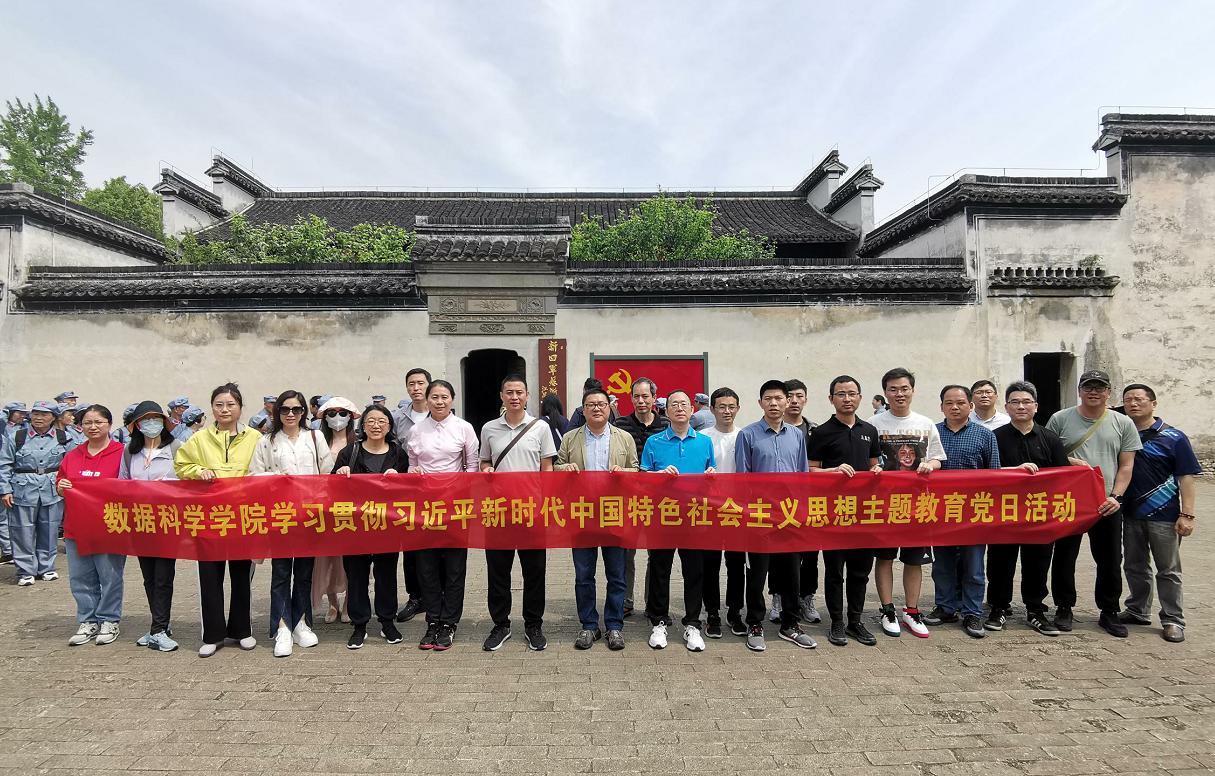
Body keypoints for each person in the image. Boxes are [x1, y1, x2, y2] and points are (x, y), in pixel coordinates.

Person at [1047, 369, 1141, 638]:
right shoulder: (1060, 419)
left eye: (1100, 387)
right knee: (1064, 556)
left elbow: (1126, 465)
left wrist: (1116, 496)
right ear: (1079, 391)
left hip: (1106, 503)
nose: (1093, 392)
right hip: (1068, 501)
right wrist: (1069, 461)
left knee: (1110, 559)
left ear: (1108, 392)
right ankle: (1064, 607)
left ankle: (1109, 610)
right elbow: (1048, 456)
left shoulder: (1123, 423)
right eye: (1088, 387)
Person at [174, 383, 263, 657]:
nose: (225, 410)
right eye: (219, 405)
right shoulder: (199, 439)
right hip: (208, 518)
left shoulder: (255, 437)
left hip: (243, 517)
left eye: (230, 405)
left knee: (241, 576)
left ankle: (241, 630)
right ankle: (212, 634)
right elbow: (180, 465)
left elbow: (265, 469)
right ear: (212, 408)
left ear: (240, 408)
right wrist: (197, 471)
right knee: (210, 576)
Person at [734, 380, 815, 651]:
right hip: (760, 516)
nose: (774, 403)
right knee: (757, 574)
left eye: (779, 398)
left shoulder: (797, 436)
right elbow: (742, 477)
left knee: (791, 573)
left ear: (787, 401)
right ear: (760, 403)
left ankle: (790, 624)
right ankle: (755, 623)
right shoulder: (748, 435)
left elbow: (803, 474)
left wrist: (801, 511)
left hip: (789, 515)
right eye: (768, 398)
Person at [479, 375, 557, 652]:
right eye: (509, 392)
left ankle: (533, 625)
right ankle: (500, 624)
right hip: (498, 511)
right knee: (498, 572)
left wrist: (546, 505)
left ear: (527, 396)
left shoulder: (540, 427)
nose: (514, 397)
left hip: (531, 511)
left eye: (519, 392)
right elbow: (484, 460)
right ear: (501, 395)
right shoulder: (489, 428)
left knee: (534, 572)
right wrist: (486, 469)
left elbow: (547, 468)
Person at [556, 387, 639, 650]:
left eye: (601, 404)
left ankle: (614, 626)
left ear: (609, 408)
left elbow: (636, 470)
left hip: (614, 513)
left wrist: (623, 471)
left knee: (616, 575)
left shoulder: (624, 437)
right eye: (591, 404)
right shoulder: (570, 438)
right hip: (582, 514)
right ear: (583, 410)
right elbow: (556, 468)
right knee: (584, 575)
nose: (596, 408)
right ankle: (589, 625)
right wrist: (565, 468)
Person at [250, 390, 328, 657]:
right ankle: (282, 626)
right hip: (280, 515)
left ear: (304, 411)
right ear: (277, 412)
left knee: (304, 573)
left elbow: (327, 474)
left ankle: (301, 622)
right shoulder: (266, 441)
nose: (291, 414)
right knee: (281, 572)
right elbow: (254, 476)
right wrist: (274, 477)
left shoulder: (315, 438)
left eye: (296, 409)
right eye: (285, 409)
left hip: (309, 515)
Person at [1119, 383, 1200, 643]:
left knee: (1168, 570)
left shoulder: (1173, 437)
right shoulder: (1123, 433)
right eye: (1128, 399)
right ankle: (1137, 610)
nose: (1133, 404)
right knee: (1134, 565)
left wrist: (1187, 514)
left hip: (1165, 516)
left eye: (1139, 399)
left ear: (1153, 403)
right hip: (1130, 513)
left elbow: (1186, 477)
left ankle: (1173, 619)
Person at [869, 367, 946, 638]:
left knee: (914, 560)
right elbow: (868, 460)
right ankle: (887, 610)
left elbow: (938, 458)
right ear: (885, 392)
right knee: (885, 558)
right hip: (884, 505)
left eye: (904, 389)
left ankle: (911, 611)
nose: (899, 394)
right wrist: (873, 468)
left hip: (918, 505)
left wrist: (929, 465)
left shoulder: (926, 423)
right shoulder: (873, 424)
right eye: (893, 389)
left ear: (912, 391)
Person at [988, 381, 1069, 637]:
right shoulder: (994, 437)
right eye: (1015, 402)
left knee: (1038, 563)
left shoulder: (1050, 439)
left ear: (1036, 406)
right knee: (1000, 563)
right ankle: (998, 608)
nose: (1021, 406)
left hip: (1039, 513)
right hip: (1004, 512)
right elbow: (987, 474)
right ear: (1006, 407)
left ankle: (1035, 610)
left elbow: (1063, 476)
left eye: (1026, 402)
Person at [808, 376, 882, 648]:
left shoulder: (869, 430)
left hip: (864, 512)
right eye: (841, 394)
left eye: (852, 393)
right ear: (831, 399)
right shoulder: (821, 432)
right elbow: (810, 470)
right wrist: (833, 471)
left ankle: (855, 621)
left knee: (860, 572)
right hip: (833, 513)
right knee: (835, 572)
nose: (847, 399)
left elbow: (874, 464)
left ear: (860, 397)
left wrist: (877, 470)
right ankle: (837, 622)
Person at [640, 390, 715, 652]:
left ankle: (692, 623)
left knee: (694, 571)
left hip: (694, 516)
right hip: (663, 515)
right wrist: (659, 474)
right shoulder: (654, 442)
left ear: (692, 410)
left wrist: (711, 475)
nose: (680, 408)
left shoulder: (704, 442)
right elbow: (642, 479)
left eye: (684, 404)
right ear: (666, 410)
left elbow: (712, 474)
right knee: (660, 570)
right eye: (674, 404)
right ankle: (658, 621)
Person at [407, 380, 478, 651]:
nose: (439, 402)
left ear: (452, 399)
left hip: (455, 506)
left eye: (444, 397)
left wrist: (463, 494)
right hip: (425, 507)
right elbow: (412, 465)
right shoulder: (416, 430)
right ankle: (433, 621)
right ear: (427, 399)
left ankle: (449, 623)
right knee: (427, 567)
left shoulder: (464, 428)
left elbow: (472, 466)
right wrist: (414, 473)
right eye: (434, 397)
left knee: (454, 567)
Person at [333, 404, 408, 650]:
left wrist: (400, 478)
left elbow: (410, 490)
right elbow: (332, 487)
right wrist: (340, 472)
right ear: (363, 426)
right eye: (371, 421)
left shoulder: (398, 453)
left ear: (389, 426)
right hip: (355, 527)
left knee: (386, 575)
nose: (376, 425)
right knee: (357, 576)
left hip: (387, 526)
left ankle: (387, 621)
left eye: (382, 421)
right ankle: (359, 625)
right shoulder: (349, 452)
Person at [928, 385, 1001, 639]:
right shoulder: (933, 433)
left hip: (974, 512)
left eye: (960, 402)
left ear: (970, 406)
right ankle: (945, 607)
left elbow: (994, 475)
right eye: (949, 403)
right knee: (942, 564)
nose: (955, 407)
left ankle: (972, 612)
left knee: (973, 567)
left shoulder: (985, 436)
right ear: (941, 407)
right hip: (940, 511)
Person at [56, 405, 126, 646]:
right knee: (80, 577)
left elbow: (131, 487)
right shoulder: (73, 455)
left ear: (109, 424)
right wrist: (61, 487)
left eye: (98, 422)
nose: (93, 427)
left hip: (110, 527)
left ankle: (109, 619)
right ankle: (88, 620)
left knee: (110, 576)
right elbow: (60, 483)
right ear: (81, 426)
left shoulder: (122, 453)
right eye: (87, 423)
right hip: (77, 527)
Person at [120, 400, 183, 652]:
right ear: (137, 425)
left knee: (163, 576)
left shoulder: (176, 447)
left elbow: (186, 480)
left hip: (167, 521)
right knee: (149, 577)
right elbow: (122, 483)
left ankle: (159, 629)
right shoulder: (130, 451)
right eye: (146, 420)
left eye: (156, 419)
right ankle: (160, 626)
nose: (151, 424)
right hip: (141, 521)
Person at [0, 400, 76, 587]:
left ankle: (46, 567)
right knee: (22, 530)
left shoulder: (63, 437)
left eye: (44, 414)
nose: (38, 418)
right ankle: (25, 570)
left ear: (53, 418)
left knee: (50, 529)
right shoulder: (18, 436)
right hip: (22, 489)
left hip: (52, 489)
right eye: (35, 413)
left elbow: (72, 464)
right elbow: (5, 465)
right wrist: (5, 490)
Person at [613, 377, 669, 618]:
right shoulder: (620, 425)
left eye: (646, 396)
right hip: (628, 500)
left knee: (656, 554)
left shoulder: (666, 425)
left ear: (654, 398)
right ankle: (626, 600)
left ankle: (652, 602)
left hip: (660, 501)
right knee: (626, 553)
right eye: (636, 396)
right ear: (631, 398)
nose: (641, 401)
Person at [314, 396, 361, 624]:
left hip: (351, 510)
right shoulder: (316, 440)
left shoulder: (358, 442)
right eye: (331, 413)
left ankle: (348, 603)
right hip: (323, 509)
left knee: (351, 559)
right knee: (326, 560)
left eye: (343, 413)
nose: (337, 418)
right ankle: (332, 602)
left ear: (351, 417)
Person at [391, 367, 431, 623]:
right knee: (410, 546)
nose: (416, 388)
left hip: (437, 491)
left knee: (436, 542)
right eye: (411, 384)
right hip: (406, 490)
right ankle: (415, 597)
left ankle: (435, 594)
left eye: (420, 383)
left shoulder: (441, 413)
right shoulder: (397, 417)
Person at [702, 387, 741, 639]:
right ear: (712, 409)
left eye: (731, 407)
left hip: (737, 510)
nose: (727, 411)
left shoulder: (744, 436)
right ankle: (712, 613)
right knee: (710, 565)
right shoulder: (703, 437)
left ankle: (735, 612)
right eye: (722, 407)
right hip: (710, 510)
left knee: (736, 565)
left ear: (738, 408)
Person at [783, 378, 820, 626]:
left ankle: (806, 597)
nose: (794, 401)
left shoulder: (817, 431)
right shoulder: (768, 429)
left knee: (810, 555)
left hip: (811, 503)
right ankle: (779, 597)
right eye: (790, 396)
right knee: (781, 556)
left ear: (806, 399)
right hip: (780, 505)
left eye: (799, 396)